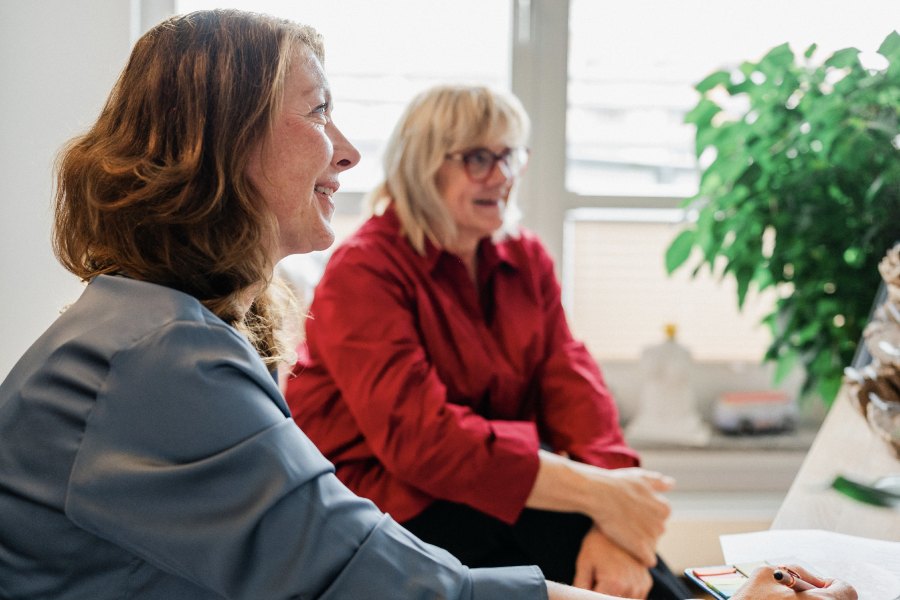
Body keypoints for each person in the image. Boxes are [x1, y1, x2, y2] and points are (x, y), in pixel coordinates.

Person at [0, 9, 855, 600]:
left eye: (510, 156)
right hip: (420, 513)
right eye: (320, 113)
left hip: (457, 519)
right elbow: (388, 551)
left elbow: (575, 386)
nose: (345, 148)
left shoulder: (161, 330)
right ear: (222, 143)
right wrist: (601, 499)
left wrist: (616, 505)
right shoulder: (163, 357)